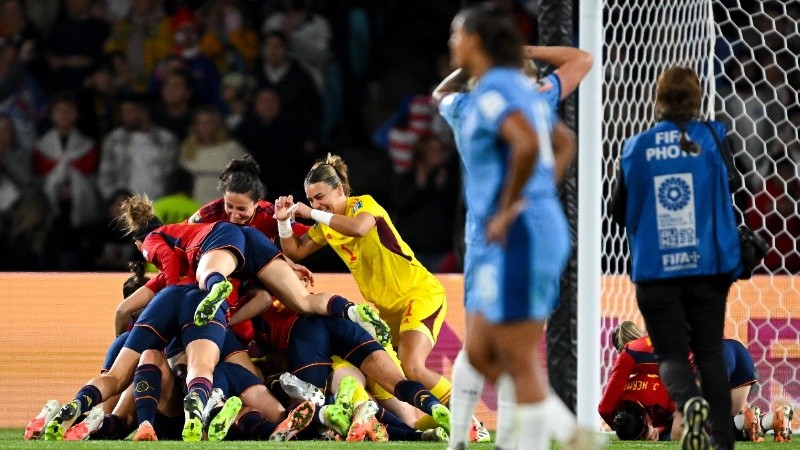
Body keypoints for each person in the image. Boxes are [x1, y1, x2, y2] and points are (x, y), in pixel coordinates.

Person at [439, 5, 600, 450]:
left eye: (456, 34)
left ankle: (565, 437)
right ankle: (565, 435)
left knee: (510, 356)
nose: (452, 43)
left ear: (475, 40)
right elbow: (562, 140)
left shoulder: (495, 90)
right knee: (488, 354)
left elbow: (529, 142)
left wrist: (513, 207)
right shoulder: (520, 88)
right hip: (528, 230)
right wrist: (538, 195)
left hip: (519, 234)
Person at [610, 66, 744, 450]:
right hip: (707, 267)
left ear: (658, 99)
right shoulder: (715, 138)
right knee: (709, 353)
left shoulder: (636, 147)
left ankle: (689, 403)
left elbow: (619, 210)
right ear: (697, 98)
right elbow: (736, 189)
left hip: (656, 270)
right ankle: (723, 444)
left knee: (669, 353)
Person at [275, 153, 454, 408]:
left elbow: (359, 228)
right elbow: (296, 251)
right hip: (386, 310)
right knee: (383, 374)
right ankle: (419, 424)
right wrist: (283, 223)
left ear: (339, 190)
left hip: (419, 294)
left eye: (320, 197)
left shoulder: (363, 205)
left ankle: (467, 419)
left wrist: (313, 214)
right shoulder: (328, 225)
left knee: (412, 366)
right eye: (311, 199)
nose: (315, 204)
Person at [605, 321, 794, 443]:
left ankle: (756, 419)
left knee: (681, 434)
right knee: (723, 423)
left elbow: (605, 407)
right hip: (735, 351)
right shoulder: (656, 344)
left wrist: (656, 430)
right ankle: (772, 421)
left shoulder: (637, 365)